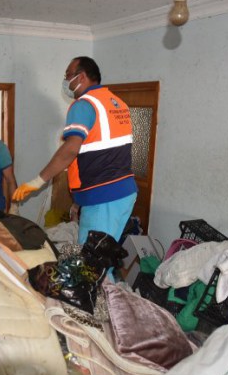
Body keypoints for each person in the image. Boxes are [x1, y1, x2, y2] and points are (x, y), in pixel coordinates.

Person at [13, 56, 137, 244]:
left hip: (103, 195)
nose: (66, 81)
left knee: (91, 258)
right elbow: (101, 152)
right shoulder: (116, 102)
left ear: (81, 77)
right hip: (122, 193)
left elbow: (71, 149)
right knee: (103, 253)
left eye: (68, 75)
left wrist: (37, 182)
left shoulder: (84, 105)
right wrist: (79, 200)